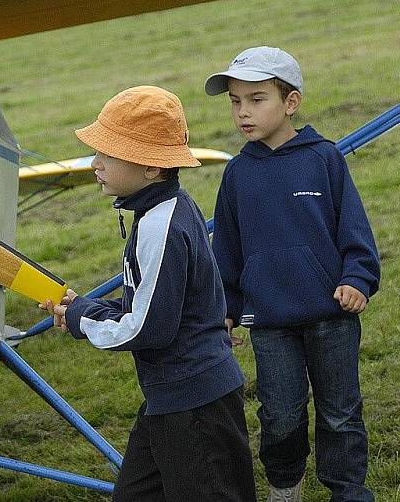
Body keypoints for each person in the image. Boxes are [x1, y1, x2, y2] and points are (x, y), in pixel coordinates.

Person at [43, 85, 256, 502]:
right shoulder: (165, 208)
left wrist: (81, 320)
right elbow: (154, 304)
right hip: (171, 397)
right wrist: (90, 308)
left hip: (195, 403)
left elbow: (148, 329)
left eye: (109, 154)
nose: (95, 164)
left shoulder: (160, 225)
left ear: (152, 169)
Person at [205, 46, 380, 502]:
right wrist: (227, 310)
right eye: (235, 101)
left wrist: (357, 279)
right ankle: (286, 489)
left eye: (257, 99)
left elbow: (354, 228)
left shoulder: (324, 157)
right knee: (280, 415)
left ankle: (349, 491)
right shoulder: (237, 174)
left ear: (291, 102)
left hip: (332, 315)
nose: (243, 111)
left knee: (340, 414)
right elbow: (226, 248)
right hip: (269, 322)